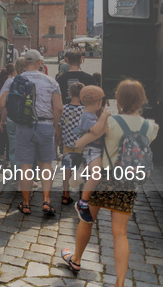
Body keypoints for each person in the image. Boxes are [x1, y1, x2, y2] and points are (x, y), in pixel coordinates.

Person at [62, 80, 158, 286]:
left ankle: (76, 259)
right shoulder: (151, 127)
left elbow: (82, 142)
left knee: (86, 221)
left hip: (103, 180)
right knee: (120, 233)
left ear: (119, 99)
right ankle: (120, 282)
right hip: (127, 184)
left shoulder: (110, 122)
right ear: (142, 100)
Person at [13, 50, 62, 215]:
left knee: (25, 166)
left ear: (25, 62)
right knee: (46, 164)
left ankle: (26, 204)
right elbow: (59, 107)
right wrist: (54, 126)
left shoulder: (17, 80)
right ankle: (46, 201)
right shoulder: (51, 81)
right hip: (45, 124)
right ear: (40, 62)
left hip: (24, 126)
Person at [73, 85, 110, 223]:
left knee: (96, 175)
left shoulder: (89, 115)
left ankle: (85, 181)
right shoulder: (88, 116)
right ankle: (83, 203)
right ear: (100, 102)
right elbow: (95, 131)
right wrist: (104, 116)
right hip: (91, 149)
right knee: (96, 174)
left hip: (94, 149)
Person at [57, 82, 85, 205]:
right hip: (81, 145)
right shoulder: (85, 110)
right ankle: (82, 196)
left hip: (67, 144)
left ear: (69, 93)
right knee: (82, 170)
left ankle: (65, 194)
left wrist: (60, 139)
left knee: (67, 169)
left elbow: (60, 125)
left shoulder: (65, 108)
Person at [0, 57, 27, 173]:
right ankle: (30, 175)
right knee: (28, 148)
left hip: (13, 119)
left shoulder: (11, 81)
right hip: (29, 119)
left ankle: (18, 176)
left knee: (14, 149)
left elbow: (2, 102)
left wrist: (2, 120)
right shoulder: (34, 80)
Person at [0, 64, 14, 159]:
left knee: (1, 133)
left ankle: (0, 153)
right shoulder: (12, 81)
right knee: (9, 135)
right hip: (8, 109)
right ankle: (8, 157)